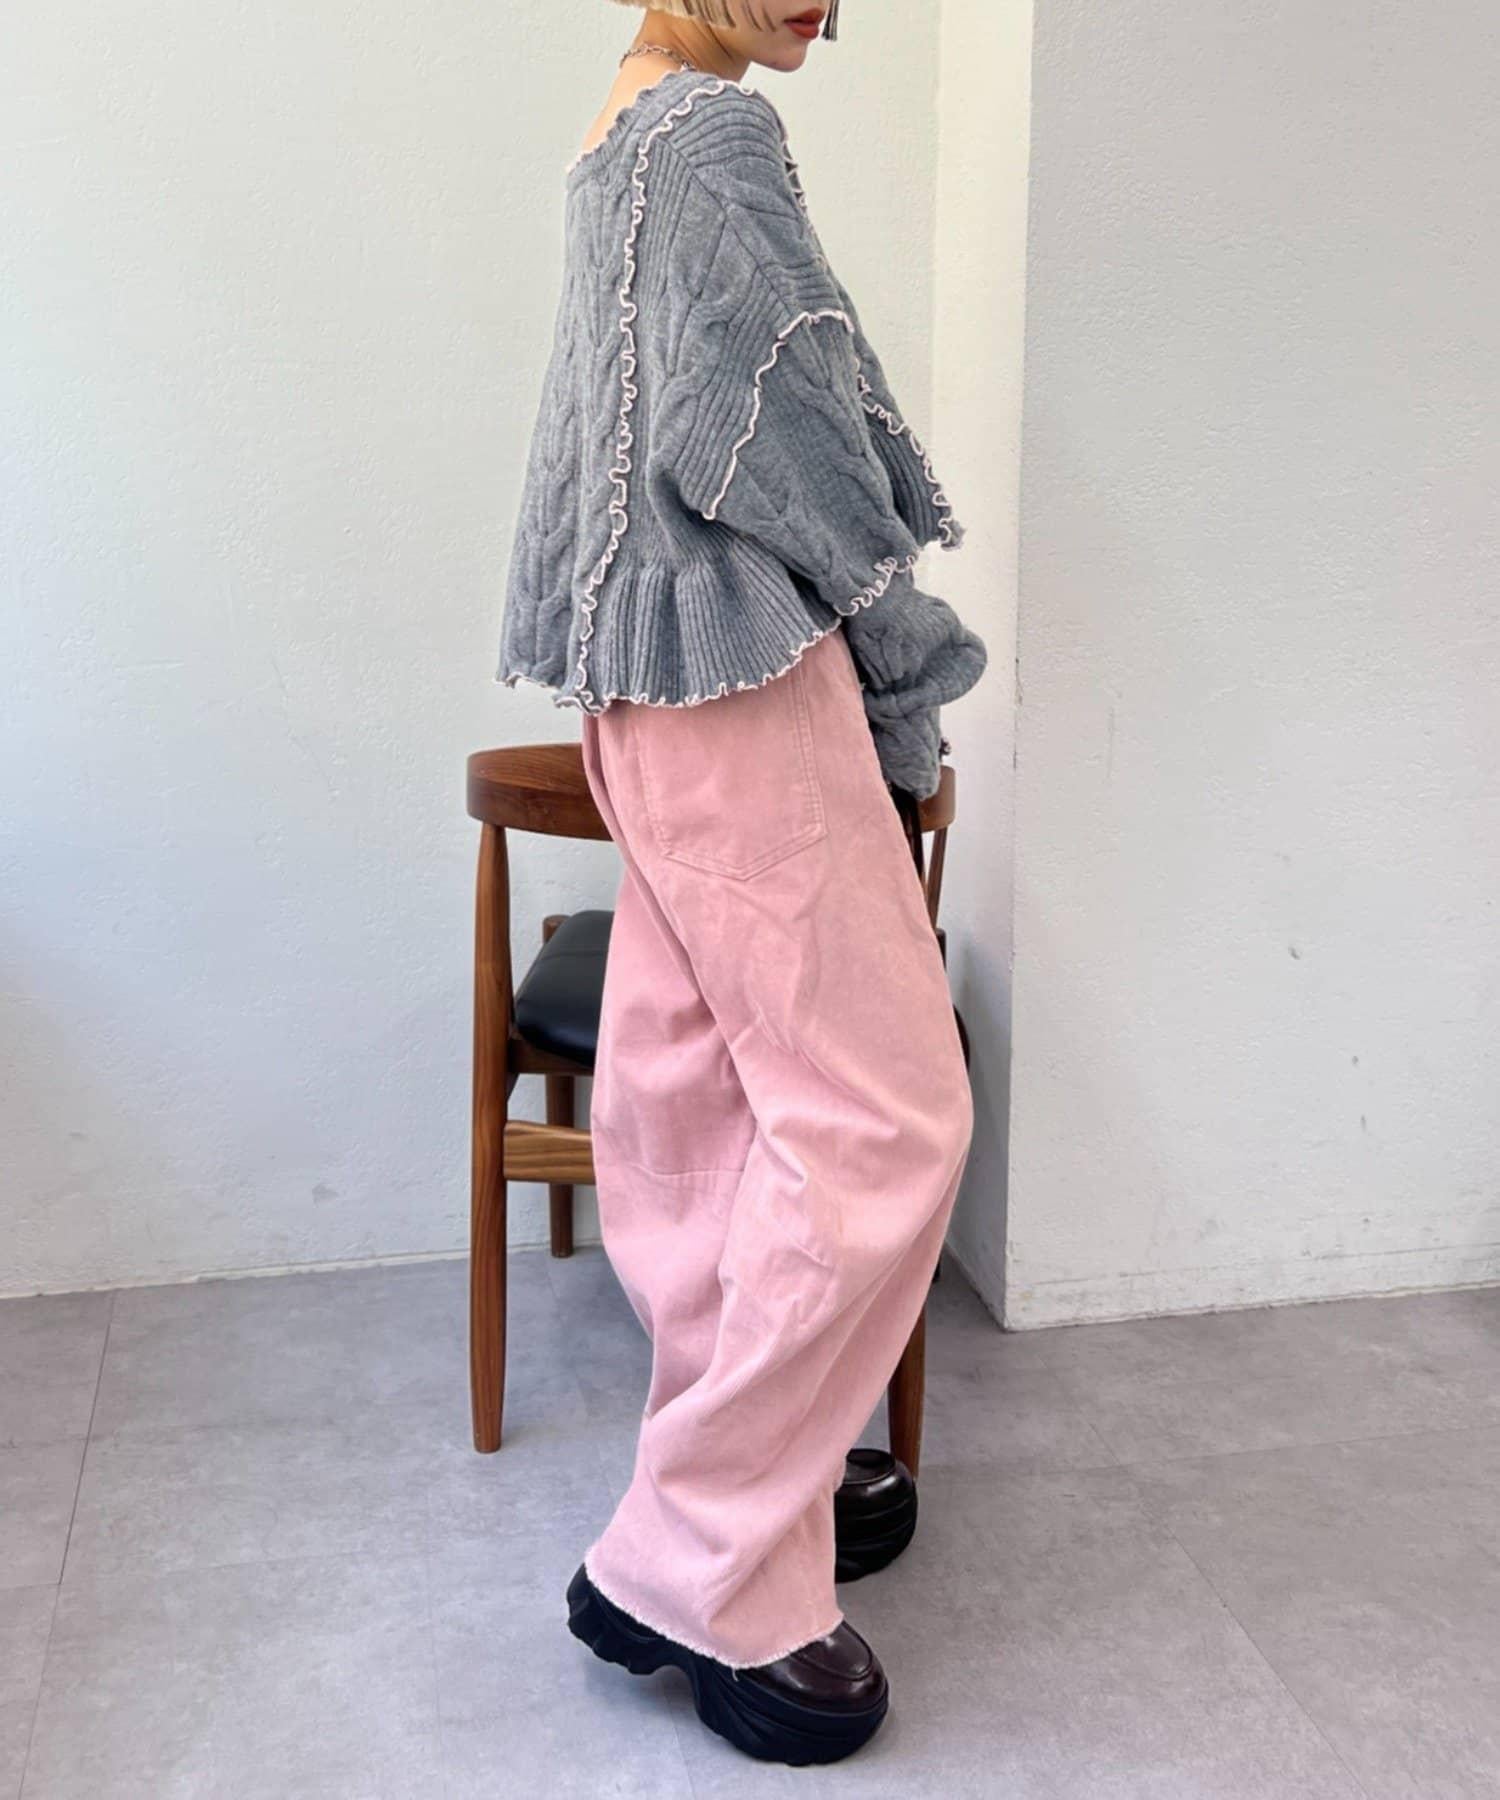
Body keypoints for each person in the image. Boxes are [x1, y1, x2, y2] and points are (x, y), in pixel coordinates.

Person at [495, 0, 987, 1766]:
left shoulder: (617, 131)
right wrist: (906, 646)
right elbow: (775, 433)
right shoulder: (709, 135)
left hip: (651, 692)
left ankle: (760, 1497)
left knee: (707, 1105)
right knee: (887, 1114)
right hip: (744, 682)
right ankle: (691, 1556)